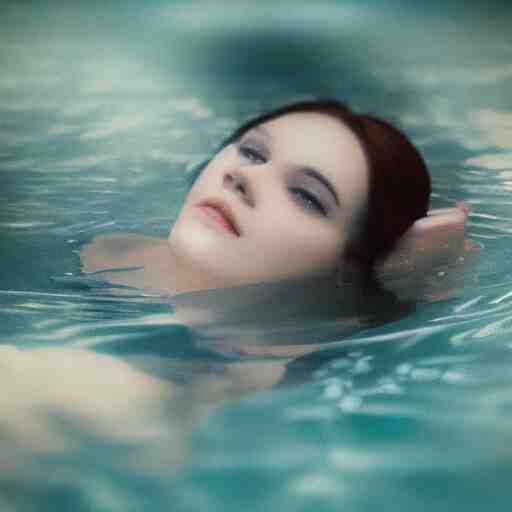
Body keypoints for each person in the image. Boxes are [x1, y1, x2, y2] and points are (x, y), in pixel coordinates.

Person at [1, 100, 476, 476]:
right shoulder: (97, 253)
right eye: (252, 151)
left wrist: (404, 281)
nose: (244, 176)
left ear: (350, 270)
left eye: (306, 196)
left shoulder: (193, 403)